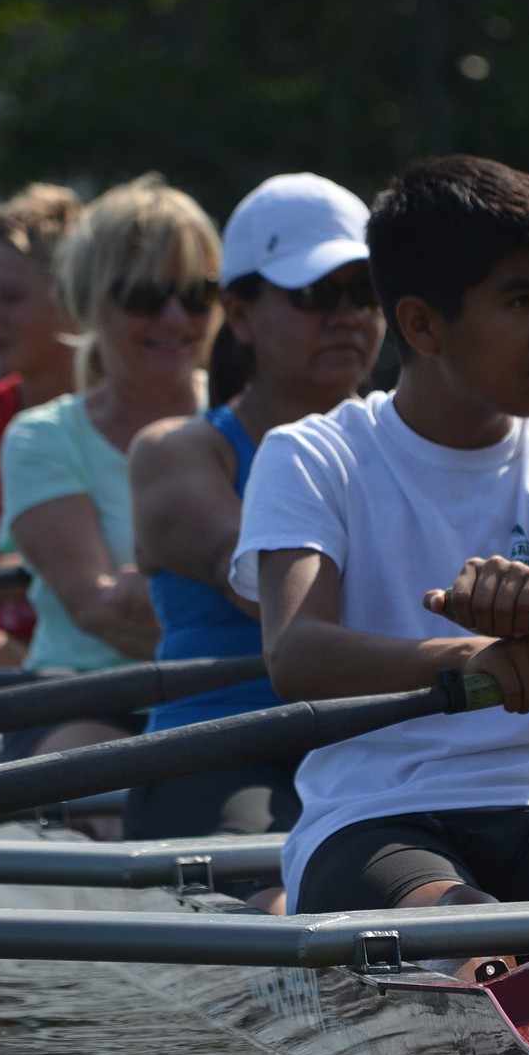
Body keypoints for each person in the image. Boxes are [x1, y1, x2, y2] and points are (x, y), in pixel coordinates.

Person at [230, 154, 529, 979]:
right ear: (422, 325)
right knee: (468, 943)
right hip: (375, 818)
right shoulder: (309, 456)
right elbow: (297, 652)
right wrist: (475, 659)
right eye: (521, 301)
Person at [125, 173, 386, 908]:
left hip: (371, 742)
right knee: (287, 891)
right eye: (315, 294)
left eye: (364, 292)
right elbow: (262, 592)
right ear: (238, 314)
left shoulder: (418, 449)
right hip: (216, 750)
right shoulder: (176, 451)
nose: (346, 316)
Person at [0, 172, 220, 768]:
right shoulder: (41, 437)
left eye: (198, 294)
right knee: (115, 795)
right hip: (81, 699)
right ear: (89, 300)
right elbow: (97, 613)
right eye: (145, 297)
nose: (176, 318)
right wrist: (247, 633)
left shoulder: (245, 422)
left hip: (230, 694)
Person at [0, 183, 82, 668]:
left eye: (12, 298)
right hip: (14, 665)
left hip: (121, 661)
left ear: (72, 299)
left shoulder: (133, 413)